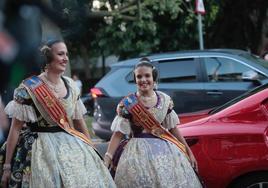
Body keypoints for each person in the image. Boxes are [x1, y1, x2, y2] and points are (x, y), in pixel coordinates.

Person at [0, 39, 116, 188]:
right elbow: (15, 129)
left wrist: (92, 150)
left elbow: (79, 122)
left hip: (70, 145)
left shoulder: (71, 85)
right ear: (47, 58)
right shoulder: (28, 88)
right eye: (60, 54)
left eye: (67, 54)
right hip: (38, 149)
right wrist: (7, 166)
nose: (66, 58)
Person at [104, 57, 203, 188]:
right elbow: (118, 134)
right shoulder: (127, 104)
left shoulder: (165, 100)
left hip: (164, 153)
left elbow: (173, 129)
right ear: (135, 79)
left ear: (154, 78)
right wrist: (107, 157)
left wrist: (188, 151)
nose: (143, 80)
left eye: (147, 76)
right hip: (136, 155)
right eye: (139, 77)